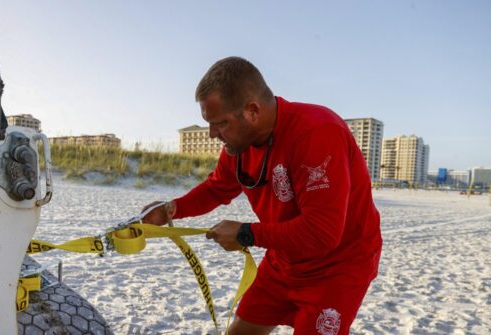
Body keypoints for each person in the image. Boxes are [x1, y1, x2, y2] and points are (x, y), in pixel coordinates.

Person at [142, 56, 382, 335]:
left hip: (337, 268)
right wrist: (171, 209)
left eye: (219, 123)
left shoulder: (316, 132)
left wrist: (246, 234)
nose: (211, 134)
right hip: (284, 259)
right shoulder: (239, 143)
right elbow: (217, 187)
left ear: (252, 111)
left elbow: (322, 232)